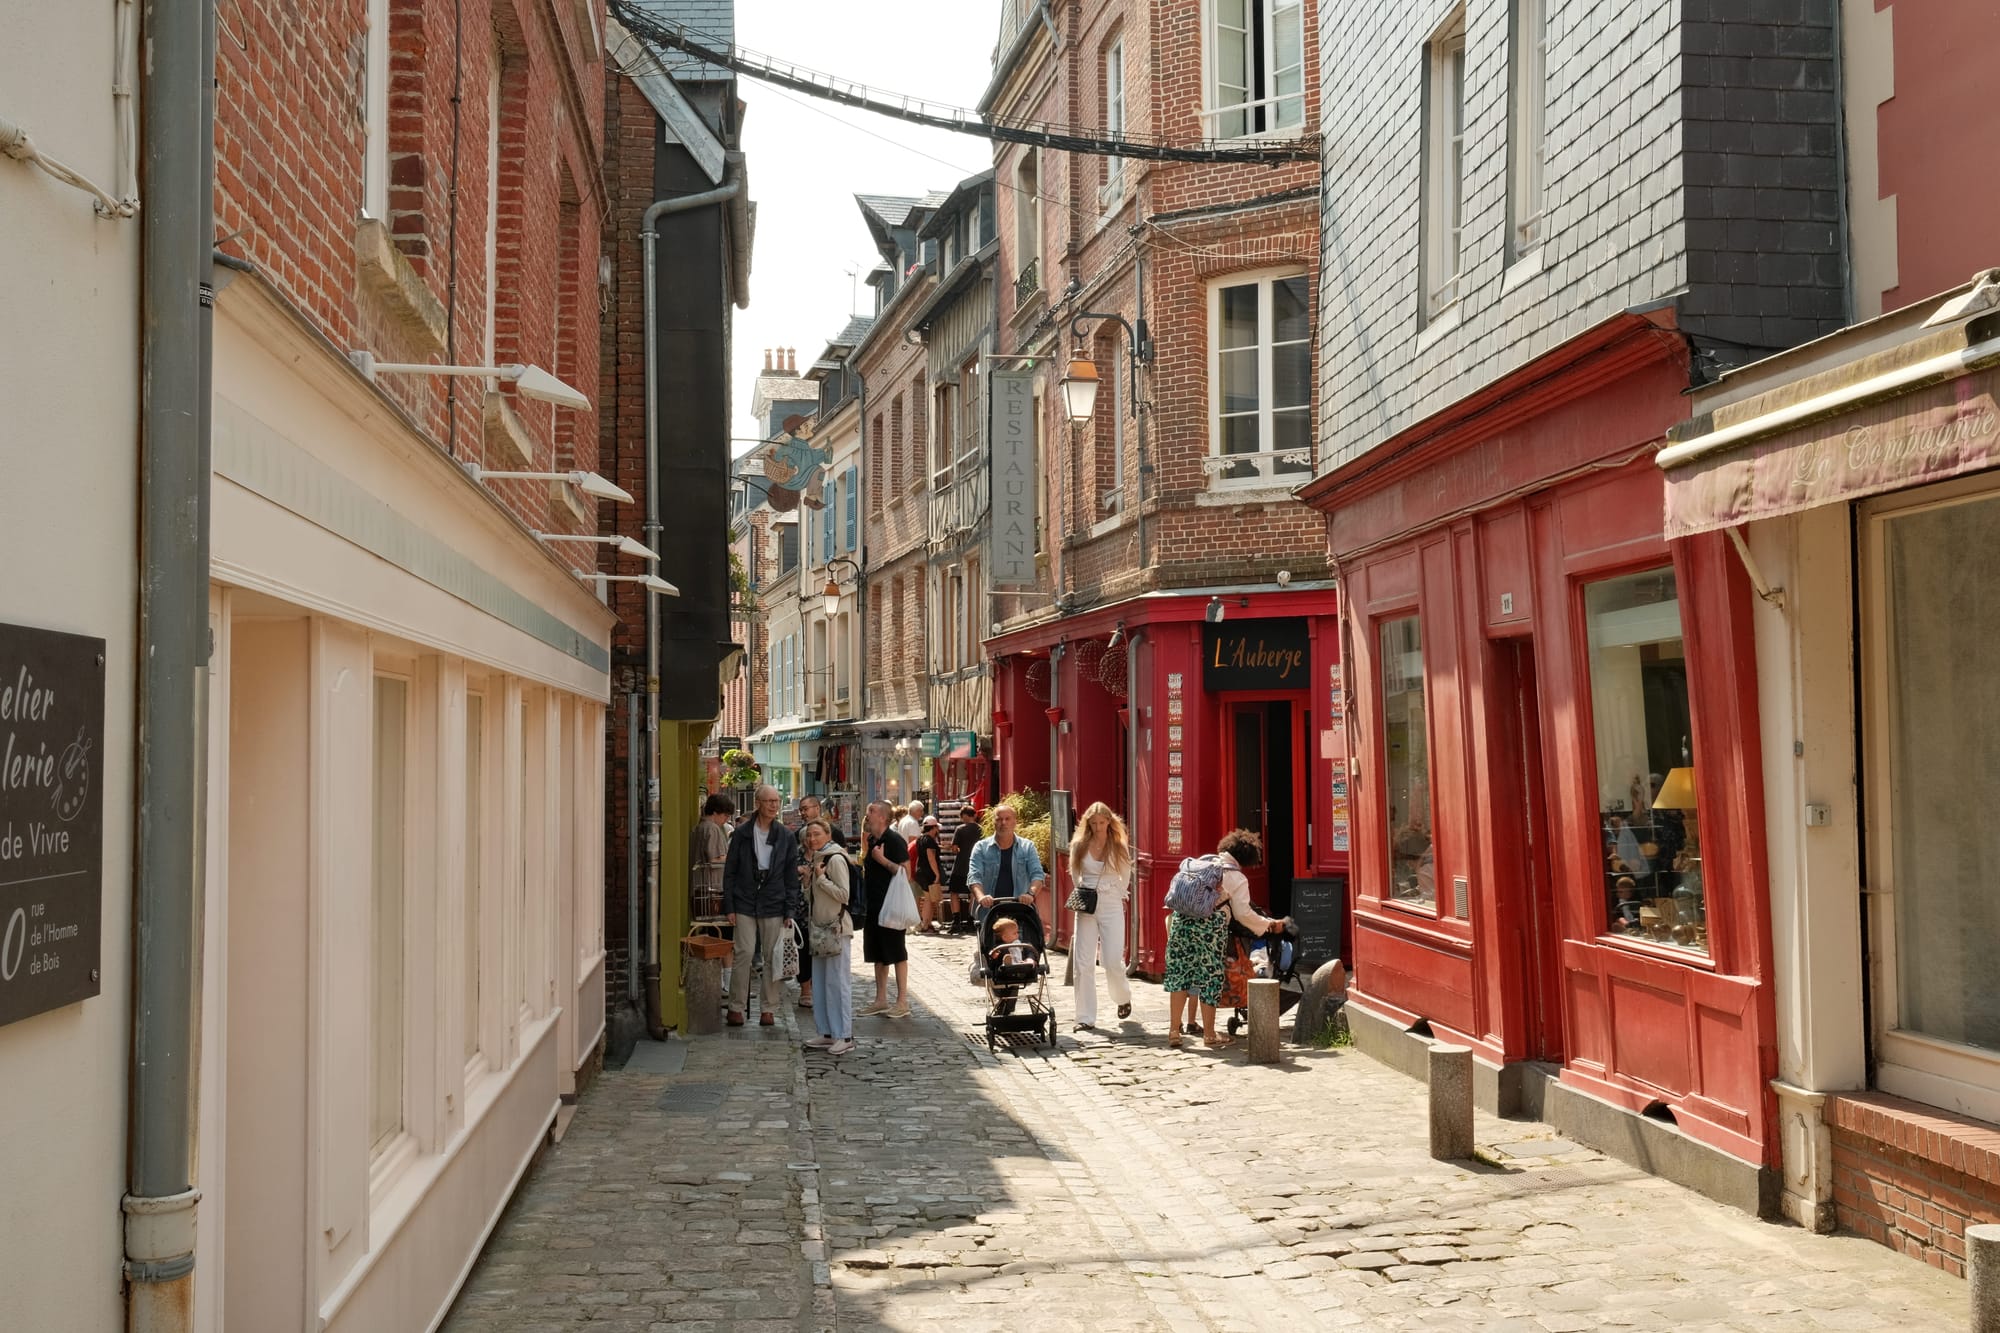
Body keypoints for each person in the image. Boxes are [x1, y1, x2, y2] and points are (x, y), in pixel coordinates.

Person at [1163, 829, 1285, 1050]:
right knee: (1209, 977)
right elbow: (1243, 914)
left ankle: (1173, 1031)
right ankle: (1209, 1034)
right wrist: (1267, 925)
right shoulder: (1237, 877)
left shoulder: (1202, 861)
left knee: (1179, 974)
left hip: (1181, 921)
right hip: (1210, 927)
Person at [720, 785, 802, 1028]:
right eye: (769, 801)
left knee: (771, 957)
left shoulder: (785, 836)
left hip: (773, 900)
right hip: (745, 899)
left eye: (776, 800)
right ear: (758, 803)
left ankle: (769, 1009)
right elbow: (730, 871)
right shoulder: (742, 834)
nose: (774, 805)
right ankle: (735, 1007)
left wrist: (790, 909)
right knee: (743, 952)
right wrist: (730, 906)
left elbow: (791, 875)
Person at [1068, 801, 1134, 1032]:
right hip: (1087, 903)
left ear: (1109, 821)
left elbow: (1125, 876)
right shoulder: (1079, 845)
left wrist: (1116, 893)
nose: (1098, 827)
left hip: (1111, 902)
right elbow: (1075, 874)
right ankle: (1085, 1017)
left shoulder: (1118, 846)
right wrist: (1085, 893)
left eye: (1102, 822)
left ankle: (1122, 996)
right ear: (1088, 823)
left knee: (1112, 958)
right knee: (1083, 961)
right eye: (1093, 823)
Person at [800, 819, 856, 1055]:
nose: (812, 839)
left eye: (816, 834)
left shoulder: (835, 858)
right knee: (821, 984)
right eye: (808, 836)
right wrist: (808, 881)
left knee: (838, 983)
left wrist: (821, 880)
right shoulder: (817, 859)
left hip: (836, 928)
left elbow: (844, 894)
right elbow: (811, 898)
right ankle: (826, 1032)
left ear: (827, 834)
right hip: (820, 928)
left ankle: (845, 1034)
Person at [859, 800, 913, 1018]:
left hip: (892, 905)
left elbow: (906, 873)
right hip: (873, 905)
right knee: (877, 953)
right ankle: (881, 999)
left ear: (882, 816)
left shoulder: (894, 840)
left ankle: (902, 1001)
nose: (867, 814)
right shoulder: (872, 839)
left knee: (896, 951)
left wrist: (882, 860)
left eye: (871, 811)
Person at [968, 804, 1047, 925]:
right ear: (993, 822)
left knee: (1021, 942)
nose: (1003, 823)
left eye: (1007, 819)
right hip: (989, 911)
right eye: (999, 819)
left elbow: (1037, 874)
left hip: (1019, 910)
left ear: (1015, 822)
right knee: (990, 942)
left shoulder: (1027, 847)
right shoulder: (981, 848)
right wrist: (981, 897)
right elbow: (974, 876)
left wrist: (1030, 894)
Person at [691, 793, 733, 919]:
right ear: (715, 812)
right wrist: (733, 858)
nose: (726, 819)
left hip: (701, 887)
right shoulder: (712, 829)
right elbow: (715, 860)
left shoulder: (699, 827)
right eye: (725, 815)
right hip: (712, 888)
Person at [945, 802, 981, 933]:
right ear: (974, 815)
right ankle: (971, 919)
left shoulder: (960, 829)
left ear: (963, 816)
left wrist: (954, 847)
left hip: (960, 865)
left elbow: (955, 849)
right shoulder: (981, 829)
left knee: (954, 892)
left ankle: (956, 920)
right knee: (973, 892)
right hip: (975, 865)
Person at [912, 815, 945, 933]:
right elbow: (931, 858)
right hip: (928, 872)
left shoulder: (920, 839)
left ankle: (928, 923)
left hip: (921, 871)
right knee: (928, 899)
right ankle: (925, 925)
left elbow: (919, 856)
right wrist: (937, 874)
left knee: (929, 899)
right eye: (936, 828)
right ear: (934, 827)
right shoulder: (930, 840)